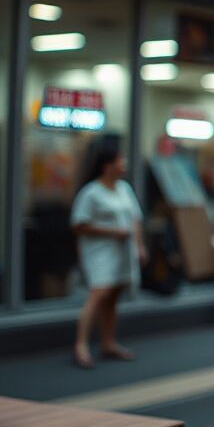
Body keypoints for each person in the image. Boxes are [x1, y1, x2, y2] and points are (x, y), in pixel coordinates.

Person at [70, 141, 145, 369]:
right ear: (107, 165)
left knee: (113, 296)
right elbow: (78, 224)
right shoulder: (91, 192)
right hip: (100, 250)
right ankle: (81, 344)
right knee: (99, 292)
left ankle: (108, 341)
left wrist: (140, 245)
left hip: (122, 250)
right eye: (120, 160)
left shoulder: (124, 188)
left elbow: (135, 218)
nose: (124, 165)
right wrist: (112, 232)